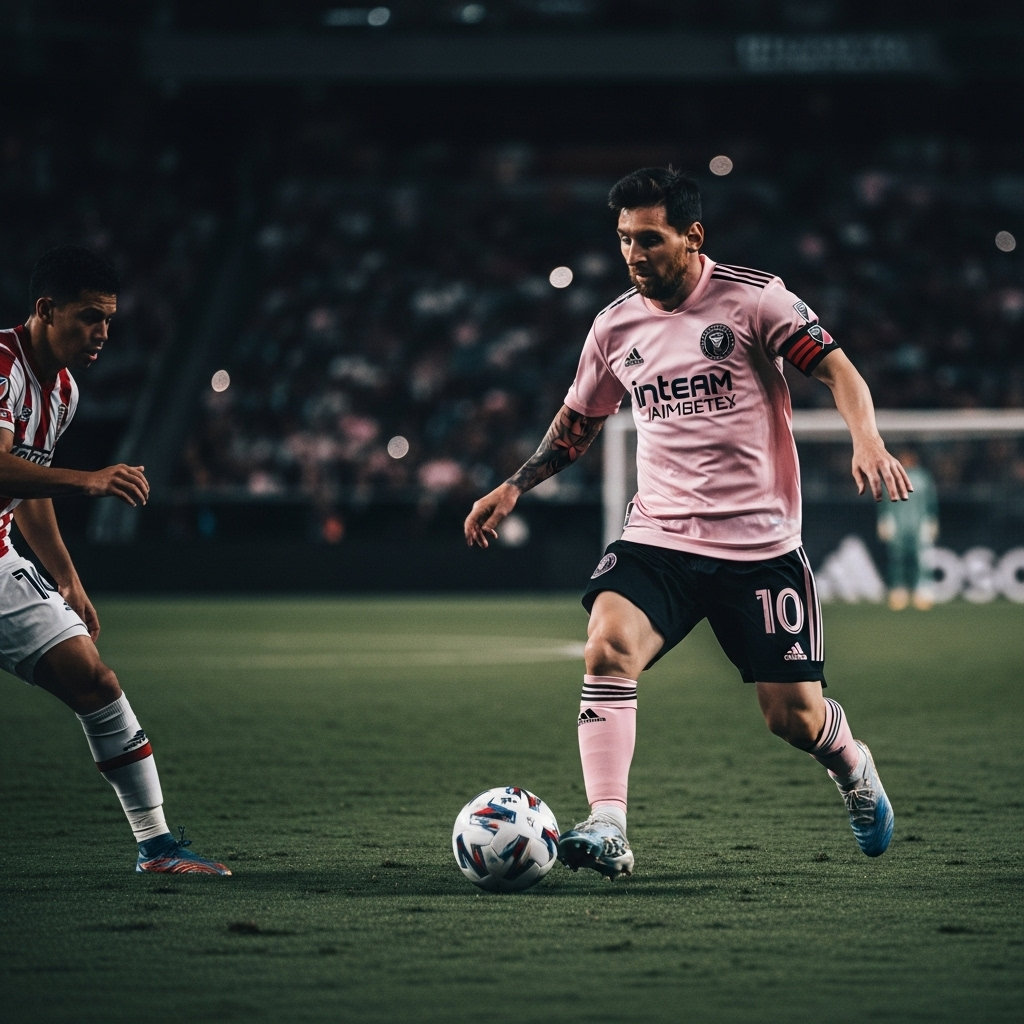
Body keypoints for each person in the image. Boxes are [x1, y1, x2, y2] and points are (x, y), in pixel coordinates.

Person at [465, 168, 909, 878]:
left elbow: (837, 369)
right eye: (622, 240)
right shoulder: (615, 325)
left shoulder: (754, 299)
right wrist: (516, 484)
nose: (634, 254)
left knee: (791, 718)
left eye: (649, 238)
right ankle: (608, 824)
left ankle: (852, 766)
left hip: (760, 548)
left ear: (692, 236)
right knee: (607, 647)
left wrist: (867, 438)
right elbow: (580, 420)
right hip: (659, 537)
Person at [1, 245, 229, 875]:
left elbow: (27, 490)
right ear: (45, 310)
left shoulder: (64, 390)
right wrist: (93, 480)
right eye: (88, 317)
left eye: (109, 320)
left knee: (96, 682)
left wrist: (68, 580)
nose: (102, 333)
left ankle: (156, 846)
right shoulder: (1, 365)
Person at [878, 447, 938, 610]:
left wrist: (932, 520)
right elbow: (884, 502)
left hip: (919, 523)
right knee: (897, 558)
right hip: (898, 524)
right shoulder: (891, 476)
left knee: (922, 558)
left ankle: (923, 590)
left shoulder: (923, 477)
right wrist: (884, 520)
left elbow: (931, 501)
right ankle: (898, 590)